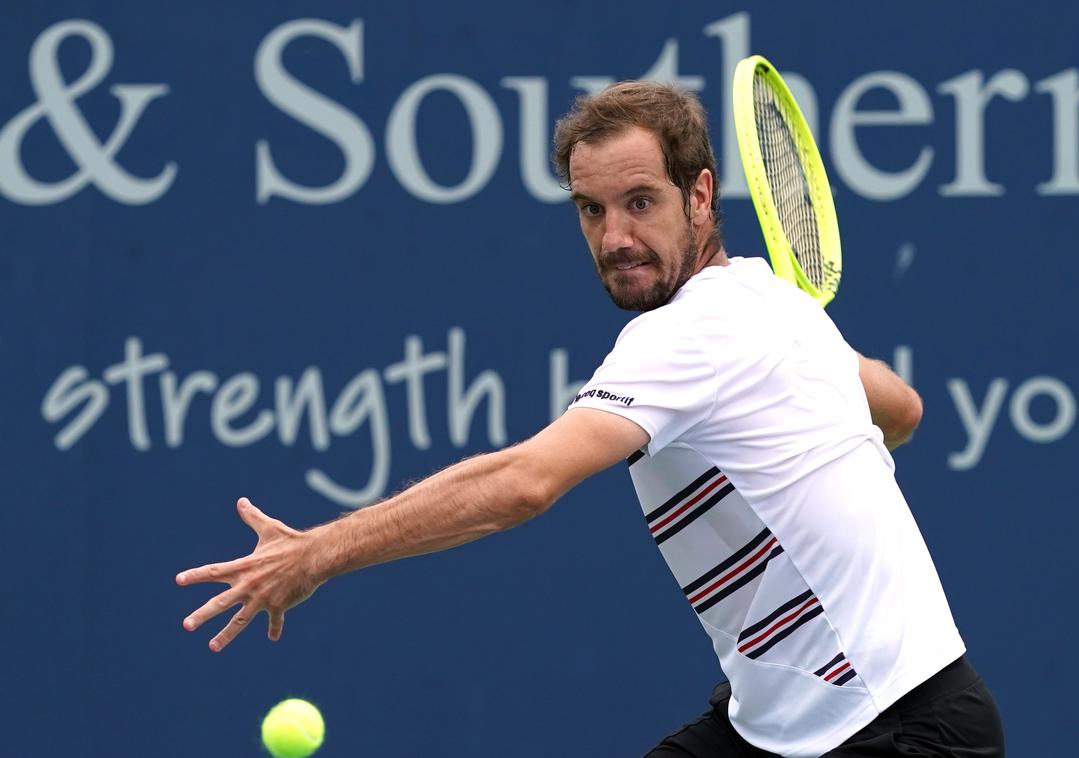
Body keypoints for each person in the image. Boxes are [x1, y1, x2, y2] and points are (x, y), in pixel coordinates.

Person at [177, 82, 1004, 757]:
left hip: (901, 729)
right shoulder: (772, 303)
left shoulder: (687, 334)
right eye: (591, 209)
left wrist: (321, 551)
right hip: (789, 724)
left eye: (641, 202)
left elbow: (524, 484)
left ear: (702, 194)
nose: (615, 237)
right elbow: (902, 408)